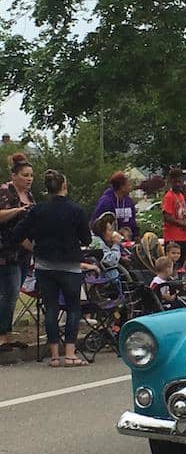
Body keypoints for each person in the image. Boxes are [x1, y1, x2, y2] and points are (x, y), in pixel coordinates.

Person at [12, 170, 91, 367]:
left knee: (51, 307)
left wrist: (33, 247)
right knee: (73, 307)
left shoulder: (37, 210)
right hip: (70, 264)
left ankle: (54, 354)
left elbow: (17, 233)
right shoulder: (76, 210)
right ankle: (70, 353)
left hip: (44, 264)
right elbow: (86, 239)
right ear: (64, 186)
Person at [0, 153, 34, 351]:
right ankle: (2, 335)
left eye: (31, 175)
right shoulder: (5, 191)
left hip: (24, 251)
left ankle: (8, 334)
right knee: (10, 292)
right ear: (14, 176)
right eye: (25, 175)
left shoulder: (29, 195)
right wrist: (18, 211)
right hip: (5, 252)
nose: (29, 179)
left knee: (14, 291)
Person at [90, 171, 138, 239]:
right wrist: (115, 234)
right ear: (122, 187)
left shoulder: (129, 202)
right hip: (110, 243)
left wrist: (136, 235)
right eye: (128, 184)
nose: (130, 187)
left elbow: (133, 222)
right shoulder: (106, 202)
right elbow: (96, 224)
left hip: (128, 242)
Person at [162, 168, 186, 261]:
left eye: (180, 181)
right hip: (173, 236)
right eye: (175, 182)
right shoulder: (169, 196)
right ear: (171, 182)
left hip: (184, 236)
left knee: (183, 263)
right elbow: (167, 217)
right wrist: (184, 224)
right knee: (173, 263)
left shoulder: (181, 195)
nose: (178, 184)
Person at [88, 212, 123, 278]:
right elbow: (111, 261)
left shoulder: (97, 240)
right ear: (102, 231)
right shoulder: (98, 242)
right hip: (105, 277)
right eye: (110, 230)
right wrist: (116, 244)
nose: (112, 233)